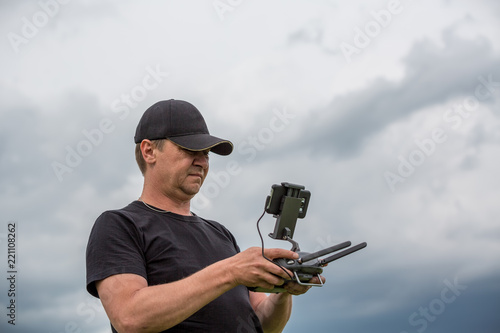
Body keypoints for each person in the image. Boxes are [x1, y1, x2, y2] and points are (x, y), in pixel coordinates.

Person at [86, 99, 324, 333]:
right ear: (149, 151)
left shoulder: (221, 234)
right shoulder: (119, 225)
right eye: (190, 150)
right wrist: (231, 271)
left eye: (206, 153)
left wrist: (283, 290)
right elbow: (130, 318)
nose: (202, 161)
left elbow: (263, 324)